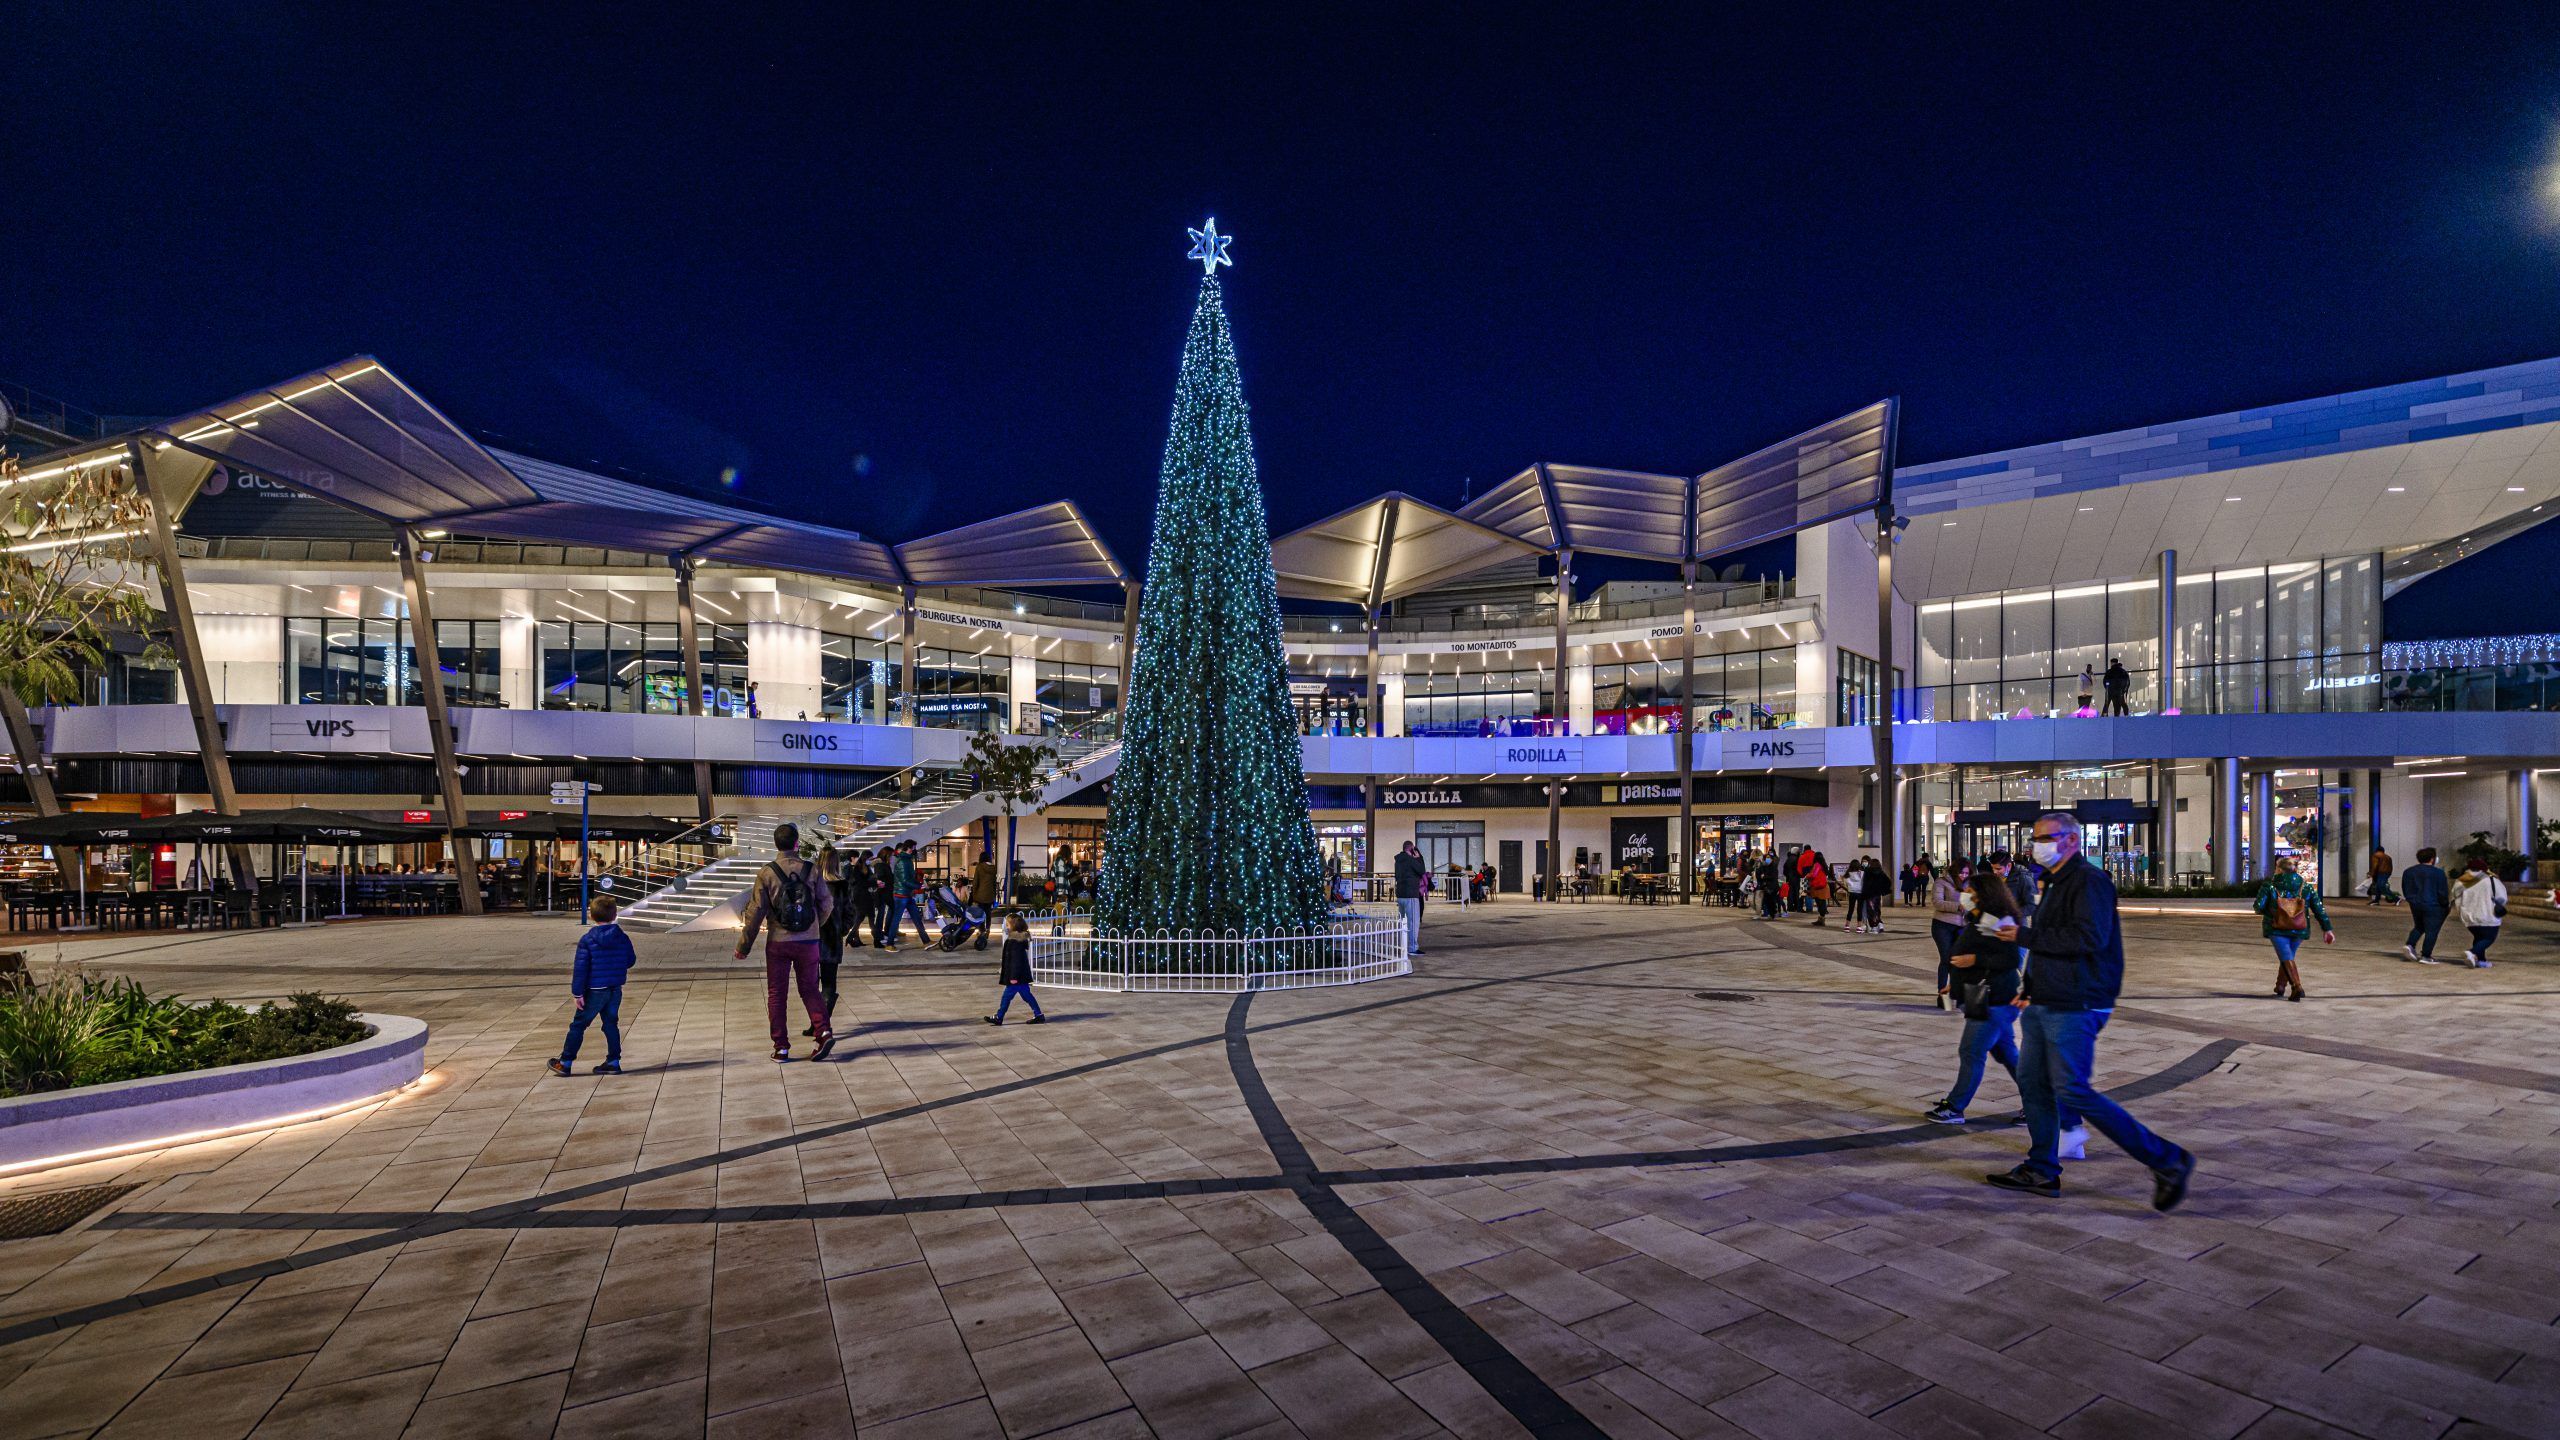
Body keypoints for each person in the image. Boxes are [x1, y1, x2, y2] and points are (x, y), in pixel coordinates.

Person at [1984, 811, 2195, 1210]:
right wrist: (2030, 987)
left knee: (2073, 1089)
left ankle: (2168, 1160)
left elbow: (2089, 938)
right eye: (2035, 838)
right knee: (2032, 1084)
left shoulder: (2089, 881)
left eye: (2045, 837)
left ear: (2072, 841)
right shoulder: (2055, 880)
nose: (2037, 845)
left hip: (2077, 1003)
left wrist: (2023, 934)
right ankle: (2041, 1168)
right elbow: (2053, 946)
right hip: (2046, 1002)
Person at [1926, 869, 2025, 1123]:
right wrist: (1955, 986)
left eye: (1970, 891)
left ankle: (1955, 1106)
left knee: (1971, 1051)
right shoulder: (1978, 918)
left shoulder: (1996, 920)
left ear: (1985, 895)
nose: (1965, 895)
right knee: (2008, 1055)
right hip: (1983, 994)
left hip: (1995, 999)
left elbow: (2011, 957)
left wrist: (1974, 959)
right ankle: (2038, 1101)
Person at [735, 822, 836, 1062]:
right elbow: (827, 904)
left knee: (777, 993)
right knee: (810, 987)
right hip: (809, 942)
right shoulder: (811, 870)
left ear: (775, 844)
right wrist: (813, 926)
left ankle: (781, 1047)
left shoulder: (767, 872)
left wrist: (744, 945)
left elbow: (756, 911)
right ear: (796, 844)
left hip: (778, 941)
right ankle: (823, 1031)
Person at [548, 894, 634, 1076]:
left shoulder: (587, 940)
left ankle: (565, 1062)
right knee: (611, 1024)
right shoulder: (622, 937)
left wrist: (577, 993)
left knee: (579, 1025)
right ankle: (613, 1061)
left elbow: (581, 969)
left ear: (592, 916)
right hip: (615, 989)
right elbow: (630, 960)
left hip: (594, 990)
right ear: (614, 915)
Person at [2251, 855, 2333, 1001]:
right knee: (2288, 956)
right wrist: (2327, 929)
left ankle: (2297, 987)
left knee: (2286, 956)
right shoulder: (2306, 887)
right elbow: (2319, 909)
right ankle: (2280, 986)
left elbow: (2258, 907)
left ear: (2279, 869)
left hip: (2277, 928)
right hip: (2299, 928)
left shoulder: (2269, 886)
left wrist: (2274, 912)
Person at [809, 846, 847, 1035]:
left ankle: (816, 1023)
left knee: (811, 984)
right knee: (829, 983)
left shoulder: (813, 883)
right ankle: (822, 1024)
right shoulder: (842, 884)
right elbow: (850, 912)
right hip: (833, 940)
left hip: (812, 939)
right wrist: (842, 929)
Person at [985, 912, 1045, 1025]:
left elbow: (1016, 961)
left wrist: (1013, 977)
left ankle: (999, 1017)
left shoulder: (1015, 941)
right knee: (1027, 996)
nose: (1006, 928)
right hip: (1021, 976)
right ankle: (1039, 1014)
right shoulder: (1016, 940)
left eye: (1007, 925)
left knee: (1006, 997)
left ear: (1013, 926)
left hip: (1016, 977)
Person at [2453, 855, 2506, 969]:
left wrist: (2461, 912)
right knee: (2489, 938)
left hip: (2469, 916)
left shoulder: (2461, 881)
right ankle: (2472, 952)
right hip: (2488, 915)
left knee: (2479, 937)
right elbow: (2502, 898)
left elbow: (2456, 898)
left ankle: (2481, 961)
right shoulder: (2492, 880)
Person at [1930, 858, 1970, 1008]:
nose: (1963, 876)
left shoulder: (1970, 884)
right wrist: (1957, 907)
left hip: (1962, 926)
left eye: (1966, 873)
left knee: (1957, 961)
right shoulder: (1942, 882)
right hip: (1943, 925)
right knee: (1946, 959)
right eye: (1961, 872)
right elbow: (1937, 902)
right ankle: (1942, 995)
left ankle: (1957, 993)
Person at [2401, 846, 2451, 963]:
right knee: (2432, 931)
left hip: (2416, 904)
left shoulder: (2409, 871)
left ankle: (2410, 944)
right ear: (2432, 859)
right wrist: (2445, 904)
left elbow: (2406, 888)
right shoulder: (2438, 873)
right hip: (2434, 905)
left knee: (2419, 926)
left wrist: (2412, 900)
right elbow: (2442, 892)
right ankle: (2426, 955)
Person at [892, 840, 931, 947]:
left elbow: (909, 878)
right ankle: (890, 943)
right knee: (896, 919)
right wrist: (918, 886)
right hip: (901, 895)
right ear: (909, 848)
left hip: (906, 894)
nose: (915, 850)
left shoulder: (907, 860)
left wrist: (917, 884)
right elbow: (905, 880)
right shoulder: (903, 861)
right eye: (914, 847)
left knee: (917, 918)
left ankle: (926, 940)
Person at [1394, 840, 1426, 954]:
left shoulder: (1398, 860)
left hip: (1401, 894)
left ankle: (1402, 945)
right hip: (1411, 894)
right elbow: (1422, 870)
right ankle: (1412, 947)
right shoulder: (1411, 860)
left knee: (1403, 921)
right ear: (1411, 849)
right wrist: (1418, 858)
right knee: (1413, 922)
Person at [869, 848, 900, 951]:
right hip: (883, 894)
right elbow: (881, 878)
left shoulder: (882, 865)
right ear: (886, 855)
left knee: (884, 913)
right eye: (891, 856)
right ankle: (880, 935)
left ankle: (884, 934)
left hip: (885, 893)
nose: (892, 858)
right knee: (881, 915)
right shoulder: (880, 865)